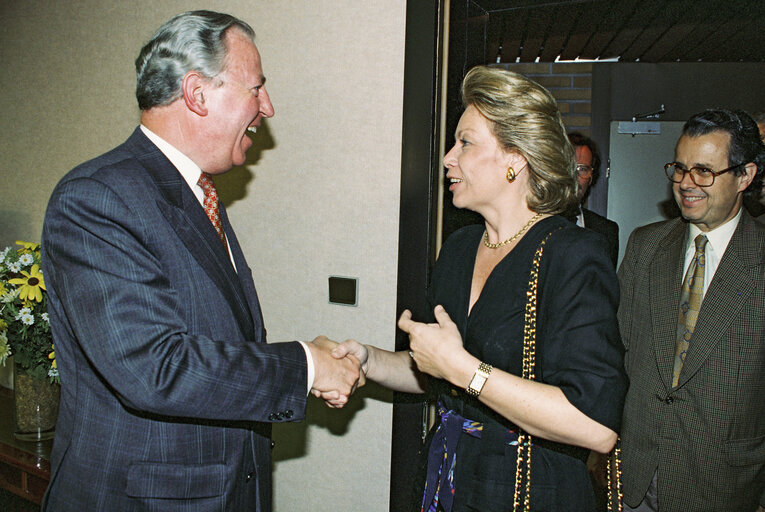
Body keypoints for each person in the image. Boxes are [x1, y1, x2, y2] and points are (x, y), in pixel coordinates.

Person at [40, 10, 362, 511]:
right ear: (196, 93)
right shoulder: (97, 197)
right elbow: (154, 366)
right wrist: (303, 366)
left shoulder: (196, 193)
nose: (268, 107)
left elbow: (212, 342)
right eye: (256, 88)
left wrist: (309, 359)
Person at [327, 66, 628, 511]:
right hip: (450, 478)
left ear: (515, 158)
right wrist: (368, 360)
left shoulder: (572, 255)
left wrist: (464, 369)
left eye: (464, 142)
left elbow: (595, 426)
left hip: (528, 490)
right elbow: (435, 371)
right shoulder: (461, 246)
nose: (449, 157)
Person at [617, 109, 765, 512]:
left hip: (725, 487)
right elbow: (621, 353)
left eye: (703, 171)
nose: (685, 183)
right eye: (680, 168)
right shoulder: (645, 247)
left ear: (745, 176)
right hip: (636, 478)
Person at [567, 132, 619, 266]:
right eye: (568, 167)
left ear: (591, 177)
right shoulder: (534, 224)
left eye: (582, 169)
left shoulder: (606, 231)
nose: (574, 176)